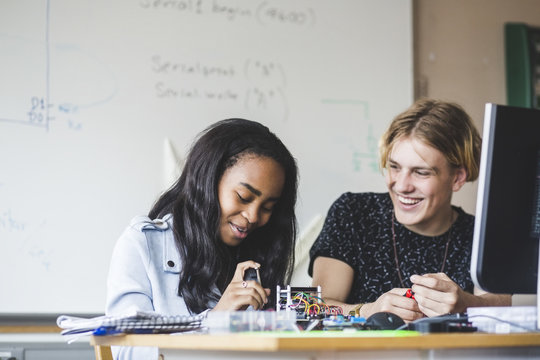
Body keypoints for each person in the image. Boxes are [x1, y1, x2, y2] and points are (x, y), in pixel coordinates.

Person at [106, 118, 298, 359]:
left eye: (268, 207)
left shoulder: (259, 255)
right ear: (208, 180)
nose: (253, 216)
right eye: (244, 196)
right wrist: (216, 320)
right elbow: (127, 351)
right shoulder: (143, 244)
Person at [309, 99, 511, 322]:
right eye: (394, 167)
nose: (402, 185)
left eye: (421, 172)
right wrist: (366, 311)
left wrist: (466, 304)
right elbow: (312, 308)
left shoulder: (483, 234)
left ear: (457, 177)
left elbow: (502, 310)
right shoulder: (353, 213)